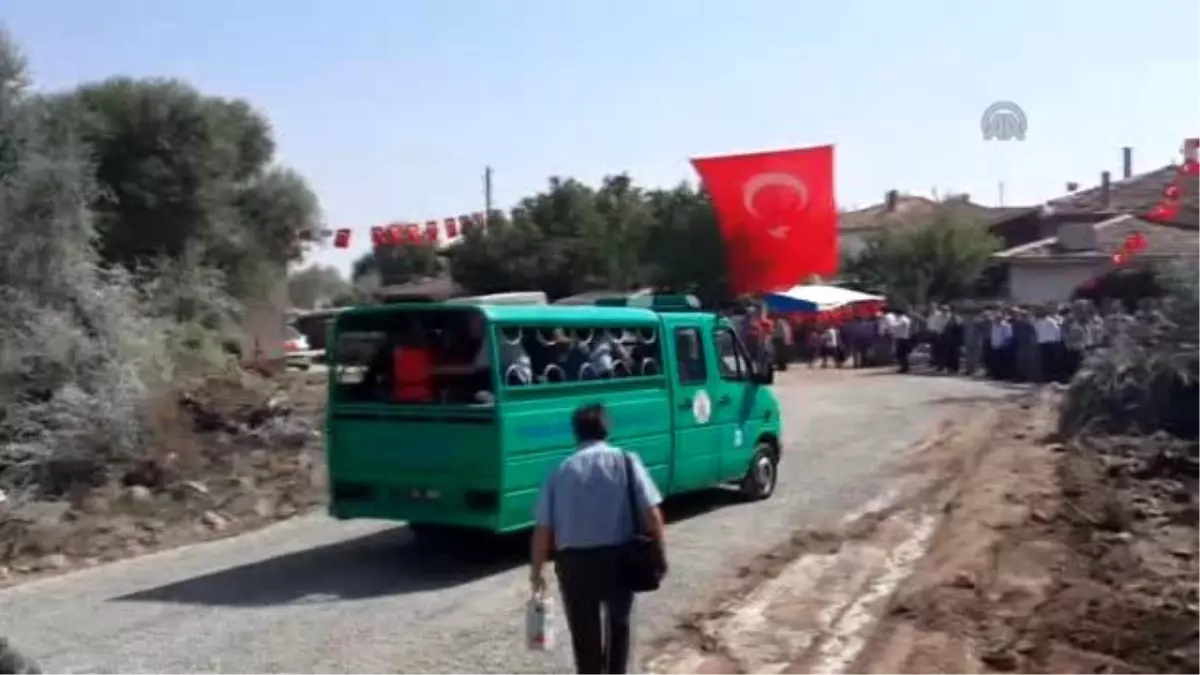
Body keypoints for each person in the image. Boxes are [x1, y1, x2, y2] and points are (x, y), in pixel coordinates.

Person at [531, 404, 667, 675]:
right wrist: (660, 554)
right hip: (619, 558)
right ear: (607, 429)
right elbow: (652, 514)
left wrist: (537, 572)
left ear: (576, 433)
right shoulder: (627, 461)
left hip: (574, 564)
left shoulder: (558, 471)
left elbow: (542, 529)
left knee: (584, 633)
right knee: (619, 625)